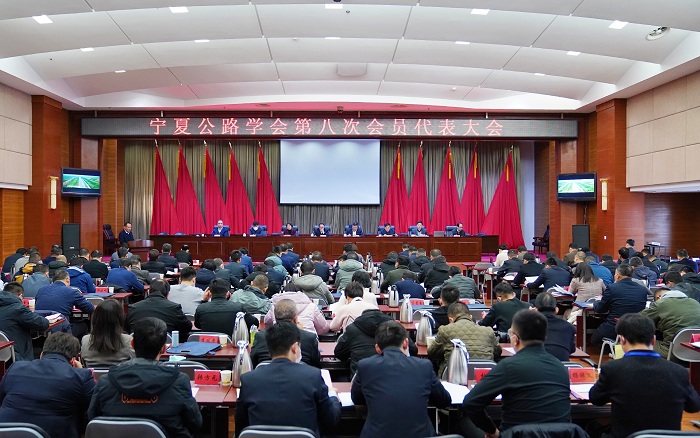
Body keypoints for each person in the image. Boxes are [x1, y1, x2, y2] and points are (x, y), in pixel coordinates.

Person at [461, 310, 571, 437]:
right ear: (545, 337)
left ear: (515, 339)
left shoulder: (508, 366)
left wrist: (493, 432)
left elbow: (470, 403)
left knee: (464, 424)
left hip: (516, 435)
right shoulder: (561, 368)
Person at [589, 313, 700, 438]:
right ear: (653, 340)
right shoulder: (679, 371)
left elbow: (595, 399)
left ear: (622, 340)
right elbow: (694, 406)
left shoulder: (612, 369)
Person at [88, 317, 203, 437]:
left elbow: (93, 418)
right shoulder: (179, 382)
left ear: (132, 343)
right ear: (163, 348)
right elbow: (195, 423)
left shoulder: (105, 382)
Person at [235, 321, 341, 436]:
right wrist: (332, 395)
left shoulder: (248, 380)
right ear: (295, 347)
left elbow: (241, 426)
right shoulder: (313, 376)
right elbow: (331, 420)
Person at [352, 320, 451, 438]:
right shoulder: (423, 366)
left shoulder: (366, 366)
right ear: (405, 343)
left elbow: (356, 398)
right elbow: (444, 400)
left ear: (377, 348)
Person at [0, 332, 95, 438]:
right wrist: (80, 371)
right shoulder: (81, 377)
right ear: (73, 361)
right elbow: (94, 410)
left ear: (41, 354)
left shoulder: (15, 368)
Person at [428, 302, 500, 377]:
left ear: (450, 319)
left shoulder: (445, 330)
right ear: (470, 317)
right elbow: (497, 352)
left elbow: (432, 353)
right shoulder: (488, 331)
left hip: (452, 377)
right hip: (485, 378)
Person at [251, 299, 321, 368]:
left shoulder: (260, 336)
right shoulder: (309, 338)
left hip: (264, 374)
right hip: (301, 375)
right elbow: (316, 366)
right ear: (296, 319)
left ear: (275, 317)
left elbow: (252, 363)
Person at [592, 264, 648, 345]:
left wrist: (596, 302)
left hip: (615, 326)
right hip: (636, 327)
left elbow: (600, 309)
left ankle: (614, 350)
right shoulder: (642, 289)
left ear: (617, 275)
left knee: (595, 339)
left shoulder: (612, 288)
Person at [641, 288, 700, 358]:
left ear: (658, 298)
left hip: (671, 352)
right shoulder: (695, 302)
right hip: (696, 351)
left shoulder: (661, 303)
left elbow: (637, 320)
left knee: (639, 343)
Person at [125, 279, 192, 339]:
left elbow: (127, 329)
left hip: (137, 346)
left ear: (148, 292)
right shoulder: (174, 308)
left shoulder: (133, 308)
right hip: (167, 346)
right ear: (168, 294)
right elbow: (187, 327)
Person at [0, 282, 49, 361]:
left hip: (4, 354)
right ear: (20, 296)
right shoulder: (19, 308)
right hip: (18, 356)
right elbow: (42, 324)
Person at [35, 270, 95, 335]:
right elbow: (90, 308)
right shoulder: (72, 292)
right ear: (67, 280)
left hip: (40, 329)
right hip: (61, 331)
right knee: (84, 325)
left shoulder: (41, 289)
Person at [80, 298, 135, 367]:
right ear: (120, 319)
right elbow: (135, 363)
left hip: (93, 374)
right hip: (121, 374)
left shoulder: (85, 340)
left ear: (95, 319)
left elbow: (84, 364)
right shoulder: (128, 341)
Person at [265, 289, 330, 336]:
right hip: (308, 341)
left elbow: (267, 323)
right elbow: (324, 328)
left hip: (278, 340)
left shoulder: (274, 307)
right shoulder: (311, 306)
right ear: (295, 319)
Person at [534, 292, 575, 361]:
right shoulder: (569, 327)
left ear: (535, 310)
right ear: (556, 310)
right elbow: (572, 349)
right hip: (561, 366)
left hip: (535, 365)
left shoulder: (528, 326)